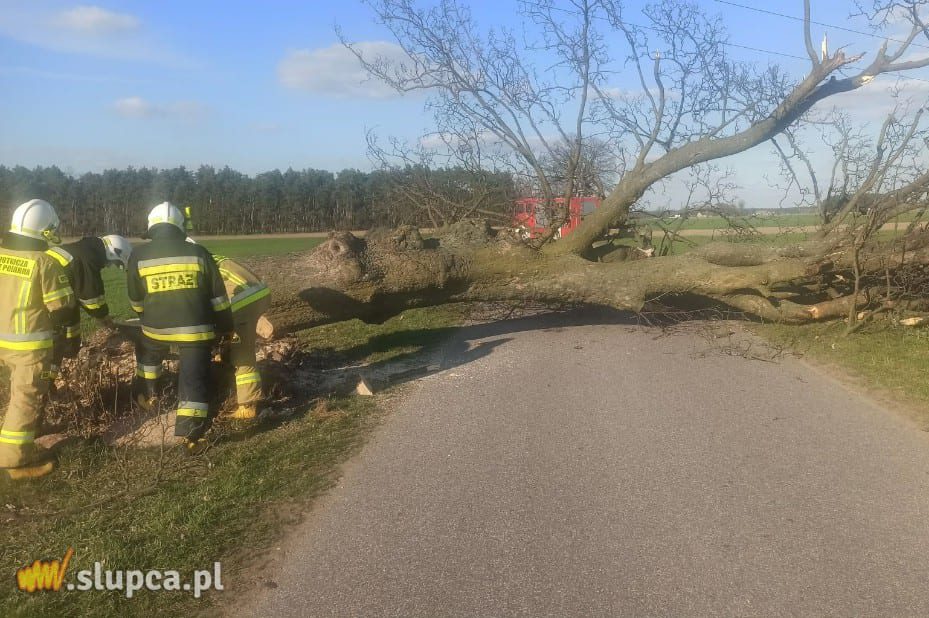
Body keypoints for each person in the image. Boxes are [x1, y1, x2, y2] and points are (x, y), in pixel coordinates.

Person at [127, 202, 232, 450]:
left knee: (147, 355)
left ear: (152, 228)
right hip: (196, 330)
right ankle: (191, 435)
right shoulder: (199, 253)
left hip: (155, 329)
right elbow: (218, 298)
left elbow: (135, 298)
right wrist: (226, 327)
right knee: (193, 378)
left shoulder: (139, 255)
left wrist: (145, 317)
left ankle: (151, 397)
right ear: (179, 227)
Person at [0, 199, 76, 479]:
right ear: (44, 231)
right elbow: (62, 308)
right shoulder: (44, 262)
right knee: (25, 397)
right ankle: (14, 462)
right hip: (28, 345)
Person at [188, 239, 270, 421]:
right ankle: (226, 365)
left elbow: (208, 299)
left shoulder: (197, 264)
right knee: (233, 338)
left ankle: (247, 406)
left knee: (242, 351)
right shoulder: (213, 258)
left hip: (242, 299)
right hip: (260, 292)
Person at [44, 234, 133, 360]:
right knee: (63, 332)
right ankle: (65, 358)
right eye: (112, 262)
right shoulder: (88, 259)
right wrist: (105, 319)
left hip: (48, 290)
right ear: (112, 253)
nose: (108, 266)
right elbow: (92, 298)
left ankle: (68, 358)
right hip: (53, 298)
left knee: (70, 314)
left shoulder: (82, 249)